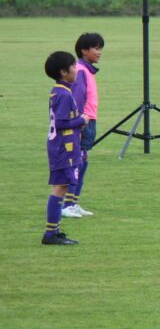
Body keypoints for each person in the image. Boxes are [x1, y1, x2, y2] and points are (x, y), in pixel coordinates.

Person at [43, 51, 88, 245]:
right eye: (73, 66)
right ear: (63, 72)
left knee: (61, 186)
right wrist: (81, 120)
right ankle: (50, 233)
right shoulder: (63, 94)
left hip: (61, 146)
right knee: (60, 187)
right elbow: (61, 123)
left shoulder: (60, 90)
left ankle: (54, 230)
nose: (76, 69)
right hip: (63, 148)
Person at [64, 32, 104, 218]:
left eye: (100, 48)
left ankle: (73, 202)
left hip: (88, 121)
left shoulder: (86, 70)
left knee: (83, 162)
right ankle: (68, 205)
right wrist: (78, 125)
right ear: (83, 50)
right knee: (78, 163)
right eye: (96, 48)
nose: (99, 52)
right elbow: (78, 100)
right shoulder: (81, 71)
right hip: (83, 122)